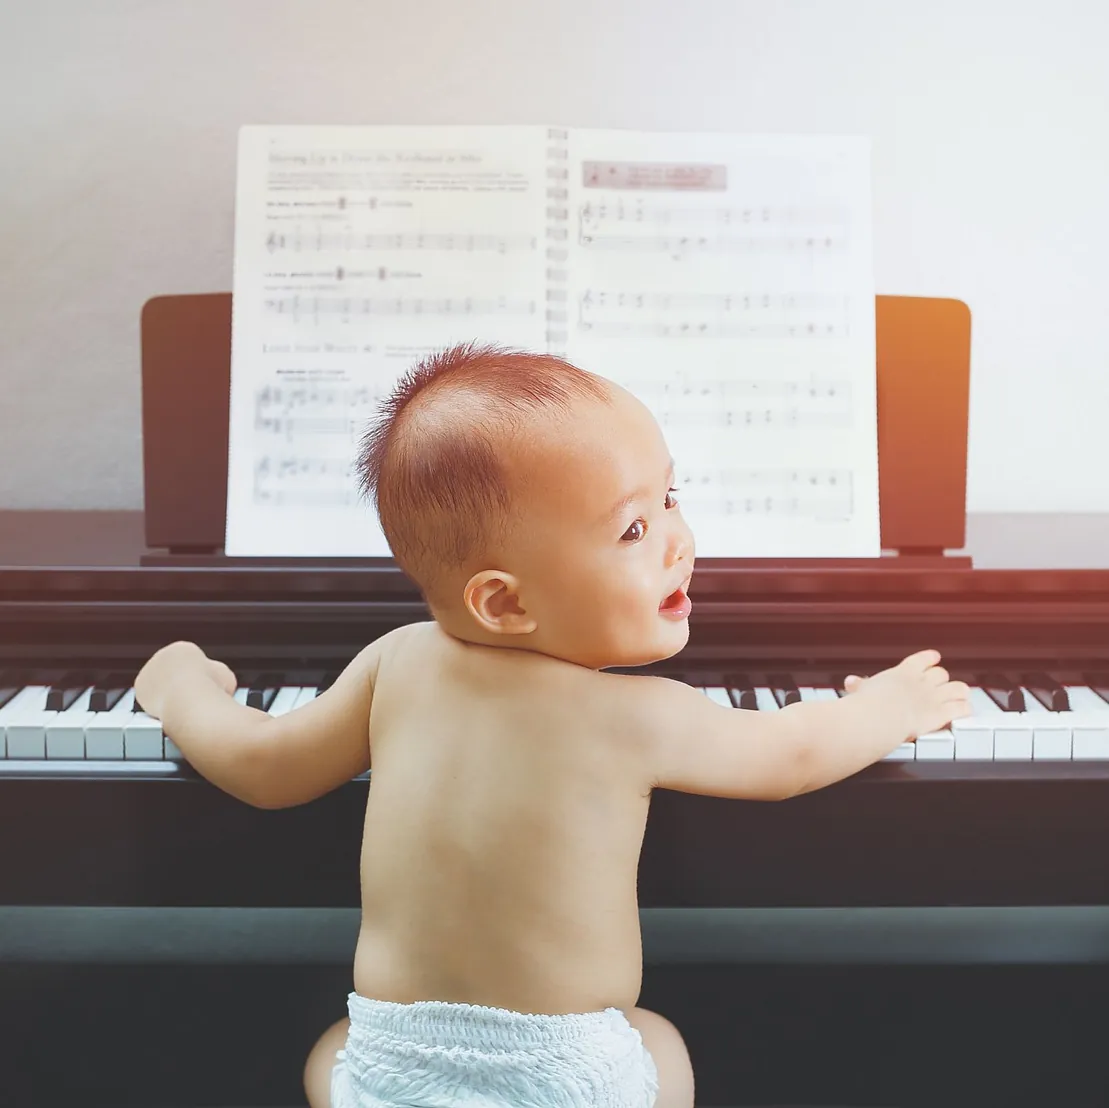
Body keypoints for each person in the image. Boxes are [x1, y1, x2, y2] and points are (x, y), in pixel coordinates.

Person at [133, 343, 971, 1108]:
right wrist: (887, 706)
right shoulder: (637, 714)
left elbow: (262, 764)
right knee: (658, 1042)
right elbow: (789, 753)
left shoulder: (395, 661)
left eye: (669, 498)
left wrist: (181, 687)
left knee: (329, 1052)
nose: (678, 540)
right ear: (505, 601)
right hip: (567, 1074)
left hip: (393, 1064)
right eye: (633, 529)